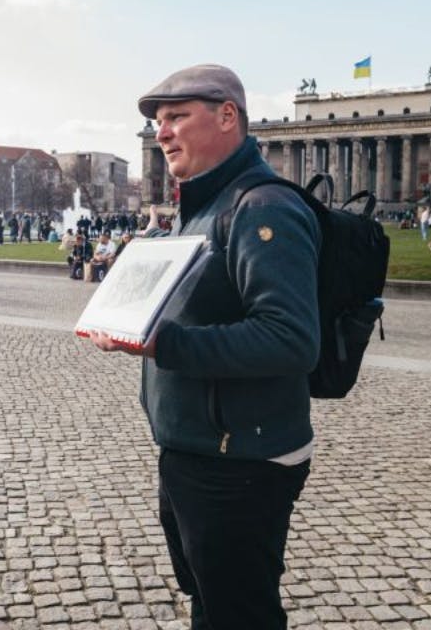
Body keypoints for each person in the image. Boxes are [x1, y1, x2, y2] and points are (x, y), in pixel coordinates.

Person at [87, 65, 318, 629]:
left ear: (227, 116)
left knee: (240, 613)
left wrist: (163, 342)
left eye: (176, 116)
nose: (161, 132)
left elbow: (290, 339)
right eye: (158, 121)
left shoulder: (263, 208)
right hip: (200, 450)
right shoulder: (204, 208)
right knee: (210, 603)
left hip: (238, 460)